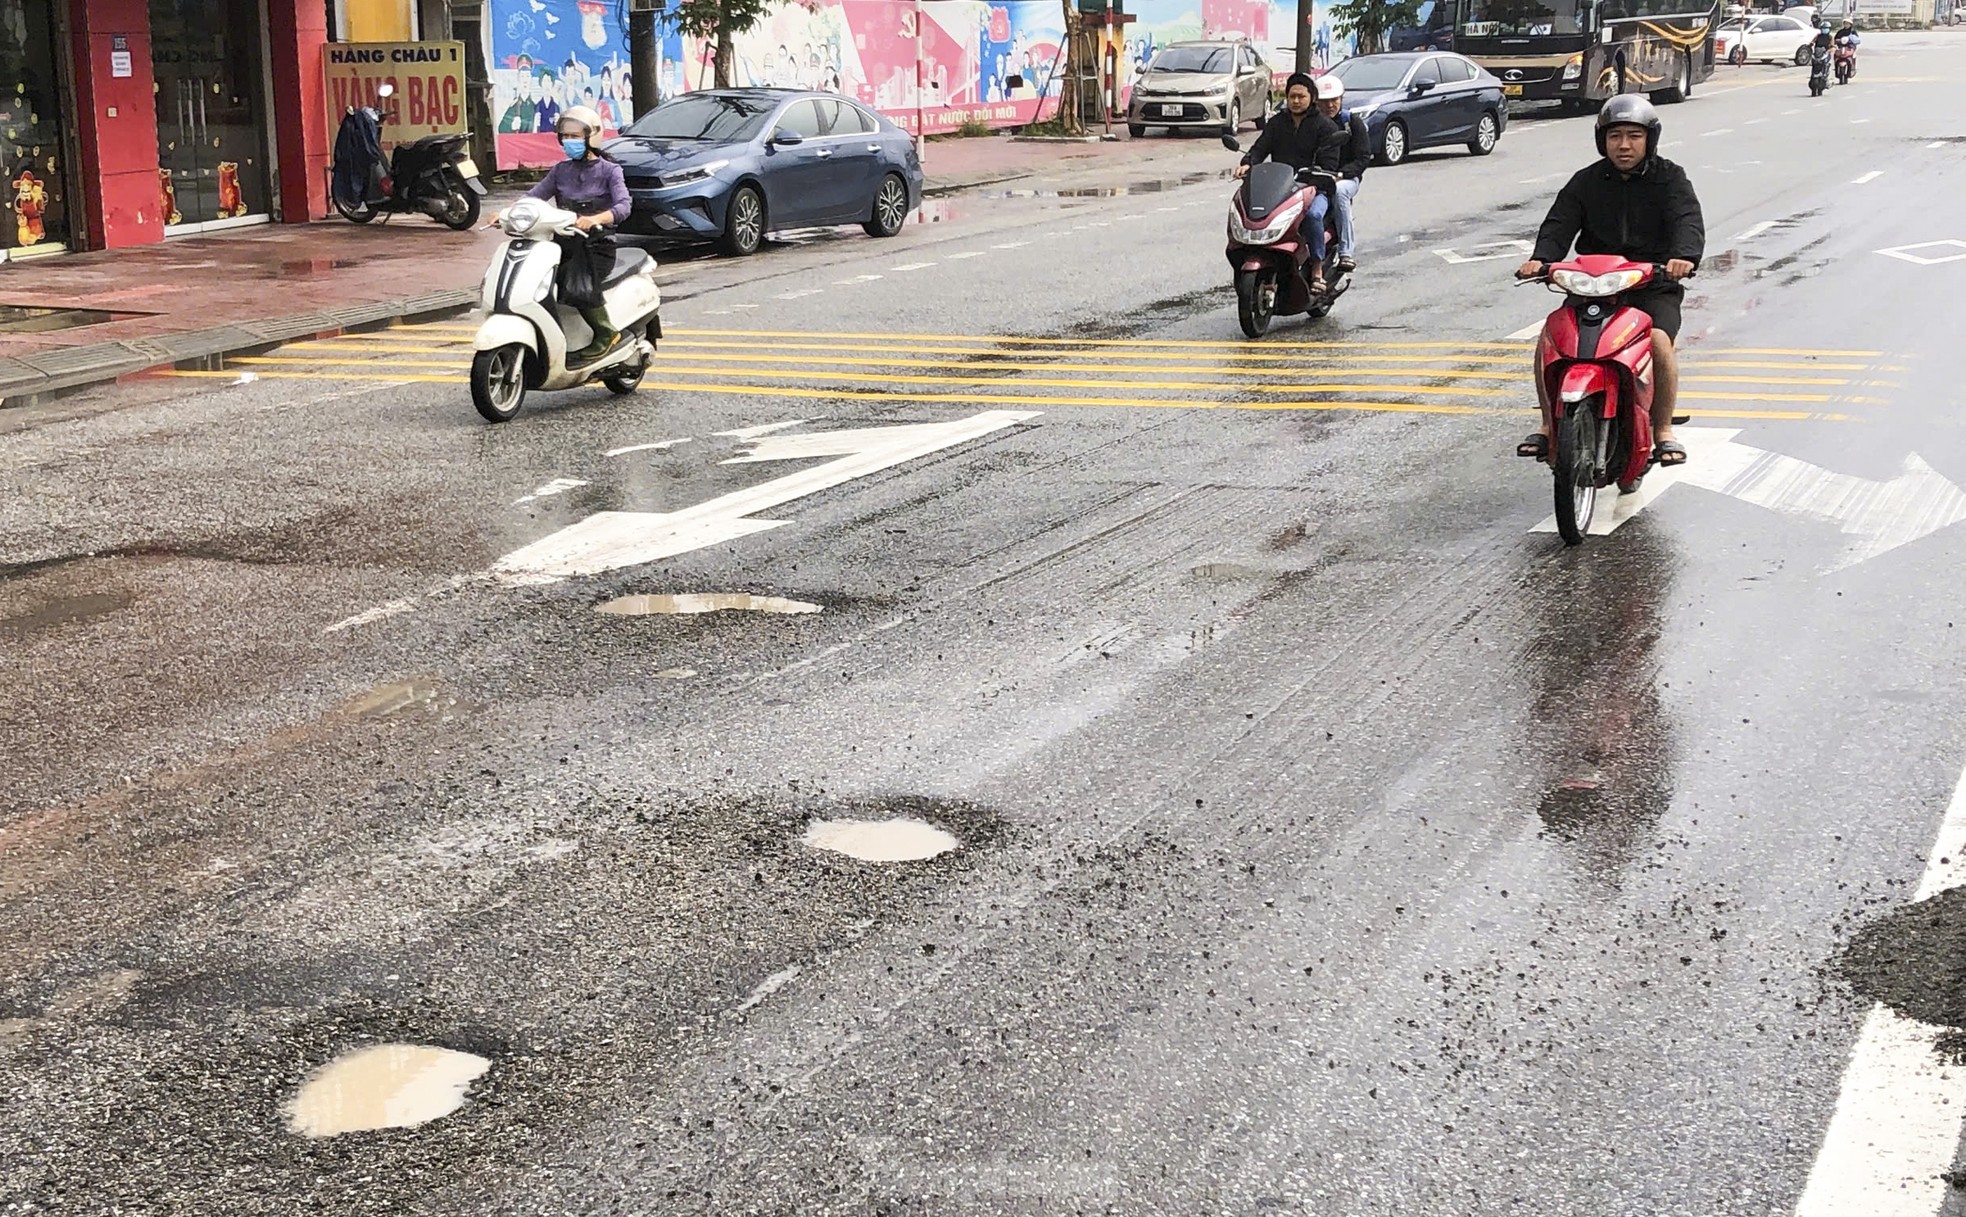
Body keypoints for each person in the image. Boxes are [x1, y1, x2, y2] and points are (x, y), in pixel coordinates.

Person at [1514, 95, 1704, 466]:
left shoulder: (1671, 179)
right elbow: (1559, 223)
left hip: (1652, 285)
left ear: (1650, 139)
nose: (1624, 145)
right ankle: (1548, 427)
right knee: (1550, 338)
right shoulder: (1586, 181)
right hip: (1593, 284)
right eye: (1615, 136)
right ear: (1603, 140)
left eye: (1634, 136)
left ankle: (1663, 430)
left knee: (1659, 342)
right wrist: (1542, 259)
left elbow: (1688, 222)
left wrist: (1683, 258)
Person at [490, 106, 631, 363]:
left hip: (596, 246)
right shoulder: (560, 170)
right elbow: (533, 197)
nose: (569, 142)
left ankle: (605, 332)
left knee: (570, 276)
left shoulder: (610, 171)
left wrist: (595, 219)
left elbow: (623, 206)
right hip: (562, 243)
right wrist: (506, 213)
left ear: (591, 136)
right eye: (565, 137)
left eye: (575, 137)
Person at [1234, 73, 1345, 290]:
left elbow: (1330, 164)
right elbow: (1260, 148)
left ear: (1312, 98)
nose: (1295, 101)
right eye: (1292, 96)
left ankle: (1316, 267)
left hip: (1315, 188)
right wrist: (1248, 162)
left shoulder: (1325, 127)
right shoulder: (1277, 123)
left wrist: (1318, 174)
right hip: (1282, 187)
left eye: (1301, 96)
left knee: (1313, 216)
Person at [1316, 74, 1370, 275]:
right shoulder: (1312, 123)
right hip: (1316, 177)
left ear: (1341, 99)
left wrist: (1342, 174)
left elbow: (1363, 158)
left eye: (1334, 100)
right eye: (1324, 101)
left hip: (1346, 179)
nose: (1330, 105)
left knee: (1339, 193)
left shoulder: (1351, 122)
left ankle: (1346, 252)